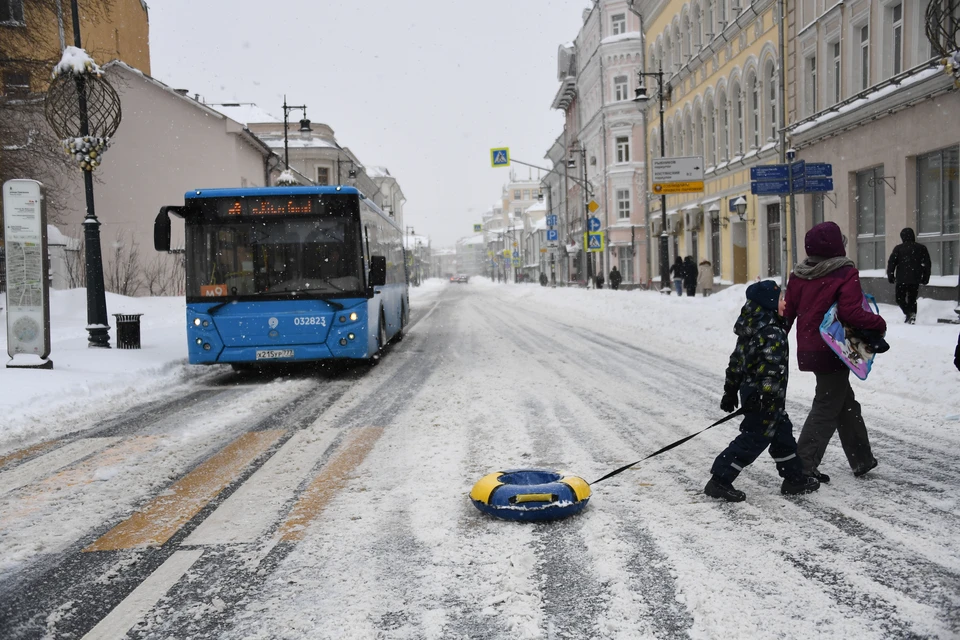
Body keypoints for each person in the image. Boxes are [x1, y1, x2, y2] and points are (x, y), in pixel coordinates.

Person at [782, 221, 887, 481]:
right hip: (834, 348)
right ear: (837, 245)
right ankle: (803, 465)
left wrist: (774, 338)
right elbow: (850, 312)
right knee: (828, 404)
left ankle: (861, 459)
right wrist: (879, 323)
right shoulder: (844, 273)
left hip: (810, 348)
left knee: (843, 401)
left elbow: (788, 312)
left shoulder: (799, 274)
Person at [705, 280, 820, 502]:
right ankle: (720, 479)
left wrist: (730, 391)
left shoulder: (751, 327)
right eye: (780, 299)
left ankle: (794, 478)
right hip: (765, 396)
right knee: (755, 438)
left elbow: (736, 363)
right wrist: (767, 398)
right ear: (769, 303)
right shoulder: (772, 332)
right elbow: (771, 372)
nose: (785, 303)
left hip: (754, 393)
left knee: (782, 433)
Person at [886, 227, 931, 324]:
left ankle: (908, 313)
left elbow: (892, 263)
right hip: (915, 278)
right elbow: (927, 264)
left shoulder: (898, 249)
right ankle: (912, 316)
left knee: (899, 298)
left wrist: (890, 275)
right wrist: (925, 277)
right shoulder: (921, 248)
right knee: (912, 299)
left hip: (901, 278)